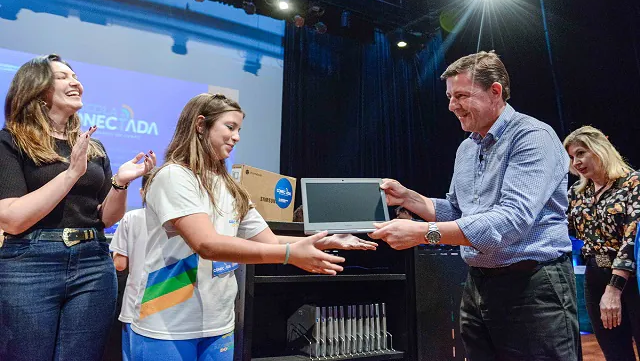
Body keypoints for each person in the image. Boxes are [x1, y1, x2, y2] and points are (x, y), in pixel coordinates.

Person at [130, 93, 375, 361]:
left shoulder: (232, 188)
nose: (236, 137)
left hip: (219, 323)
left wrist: (322, 241)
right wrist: (291, 255)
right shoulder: (174, 176)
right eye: (230, 127)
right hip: (168, 322)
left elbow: (268, 241)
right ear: (200, 125)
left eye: (239, 130)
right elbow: (207, 244)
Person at [369, 51, 580, 360]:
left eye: (462, 95)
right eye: (450, 96)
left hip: (534, 284)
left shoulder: (533, 136)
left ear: (495, 91)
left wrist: (424, 233)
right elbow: (459, 211)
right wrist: (409, 199)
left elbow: (511, 221)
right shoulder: (467, 148)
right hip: (478, 284)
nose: (452, 106)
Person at [0, 54, 156, 361]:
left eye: (76, 76)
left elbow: (106, 217)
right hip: (29, 264)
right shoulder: (11, 141)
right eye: (63, 77)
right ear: (37, 89)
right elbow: (12, 220)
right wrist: (71, 173)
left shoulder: (91, 146)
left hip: (94, 263)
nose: (76, 83)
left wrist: (120, 183)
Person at [564, 126, 640, 360]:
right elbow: (561, 228)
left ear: (600, 148)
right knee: (614, 352)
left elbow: (631, 239)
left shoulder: (633, 183)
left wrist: (614, 288)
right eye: (571, 157)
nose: (576, 162)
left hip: (634, 278)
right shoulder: (577, 194)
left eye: (581, 153)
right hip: (595, 276)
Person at [109, 169, 157, 361]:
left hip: (135, 307)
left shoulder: (131, 218)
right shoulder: (182, 221)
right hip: (169, 307)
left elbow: (120, 264)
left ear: (142, 191)